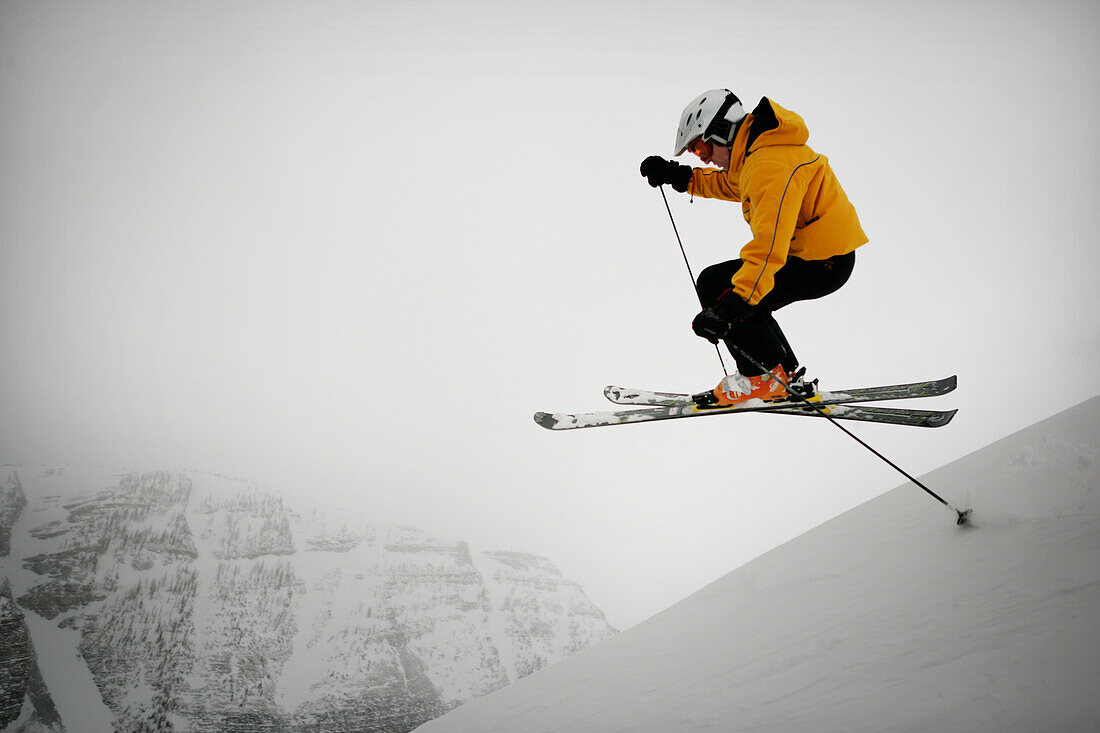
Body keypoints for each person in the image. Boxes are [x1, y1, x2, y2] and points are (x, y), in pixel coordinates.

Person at [640, 89, 868, 407]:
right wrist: (681, 176)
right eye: (694, 151)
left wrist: (733, 305)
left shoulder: (769, 164)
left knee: (724, 288)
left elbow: (769, 243)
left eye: (701, 146)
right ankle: (781, 376)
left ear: (722, 131)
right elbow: (732, 184)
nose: (702, 157)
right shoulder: (759, 153)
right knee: (727, 288)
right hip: (821, 255)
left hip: (822, 262)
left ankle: (763, 380)